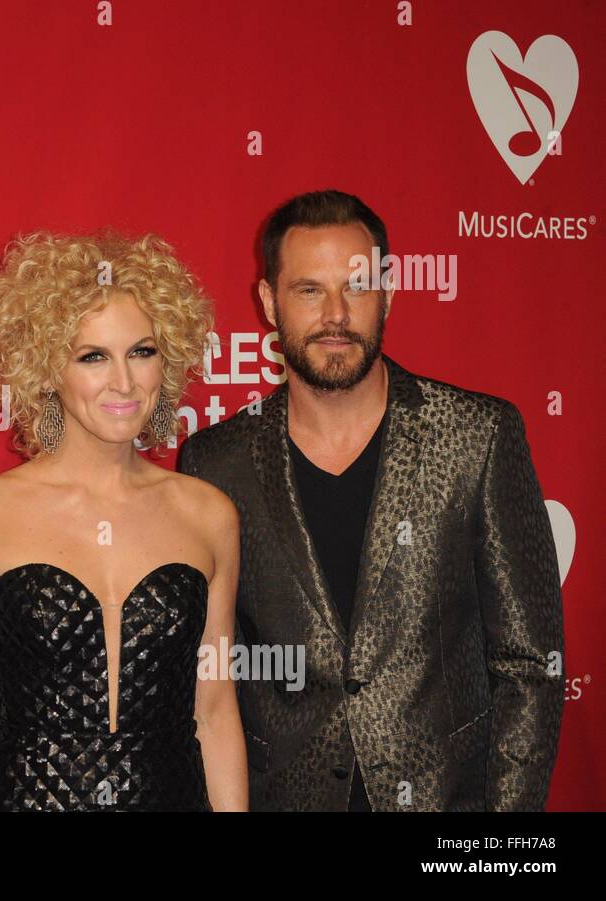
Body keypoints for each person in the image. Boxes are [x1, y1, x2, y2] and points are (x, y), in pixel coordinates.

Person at [178, 189, 565, 811]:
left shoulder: (477, 436)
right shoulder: (215, 462)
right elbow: (214, 676)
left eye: (356, 286)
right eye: (308, 289)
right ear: (269, 302)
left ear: (387, 293)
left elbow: (528, 663)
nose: (336, 314)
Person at [0, 231, 247, 811]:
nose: (124, 383)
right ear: (44, 366)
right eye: (93, 357)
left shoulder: (208, 516)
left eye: (142, 351)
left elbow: (212, 710)